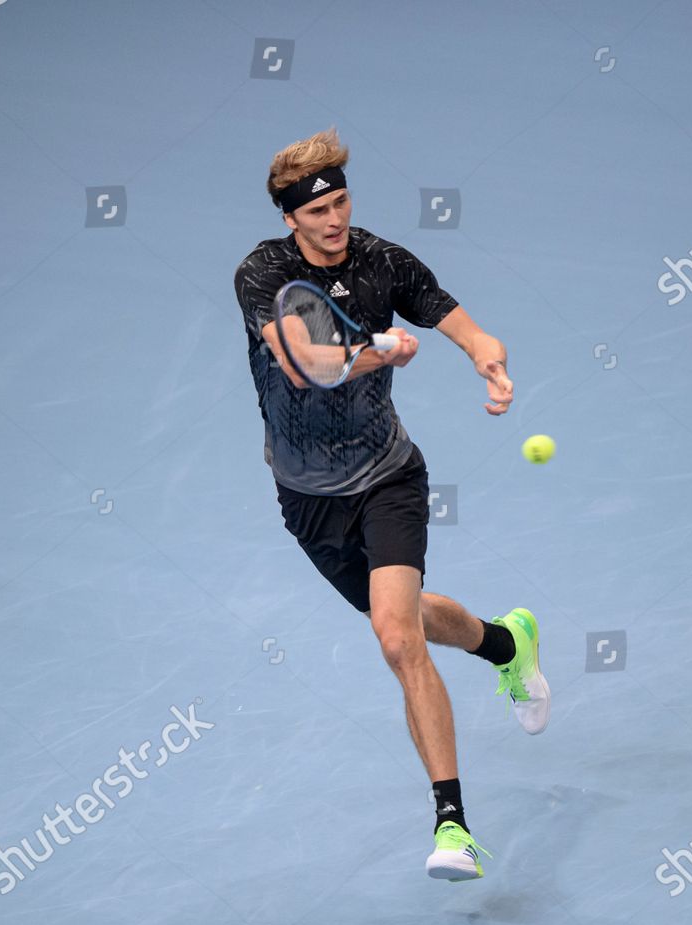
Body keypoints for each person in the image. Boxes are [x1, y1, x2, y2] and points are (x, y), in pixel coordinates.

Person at [232, 126, 550, 881]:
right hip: (307, 496)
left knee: (396, 638)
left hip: (388, 476)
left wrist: (487, 360)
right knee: (406, 620)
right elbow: (307, 363)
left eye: (342, 203)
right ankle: (507, 645)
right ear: (290, 219)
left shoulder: (382, 261)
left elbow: (459, 319)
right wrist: (378, 352)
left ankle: (453, 826)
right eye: (318, 213)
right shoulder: (262, 275)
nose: (335, 221)